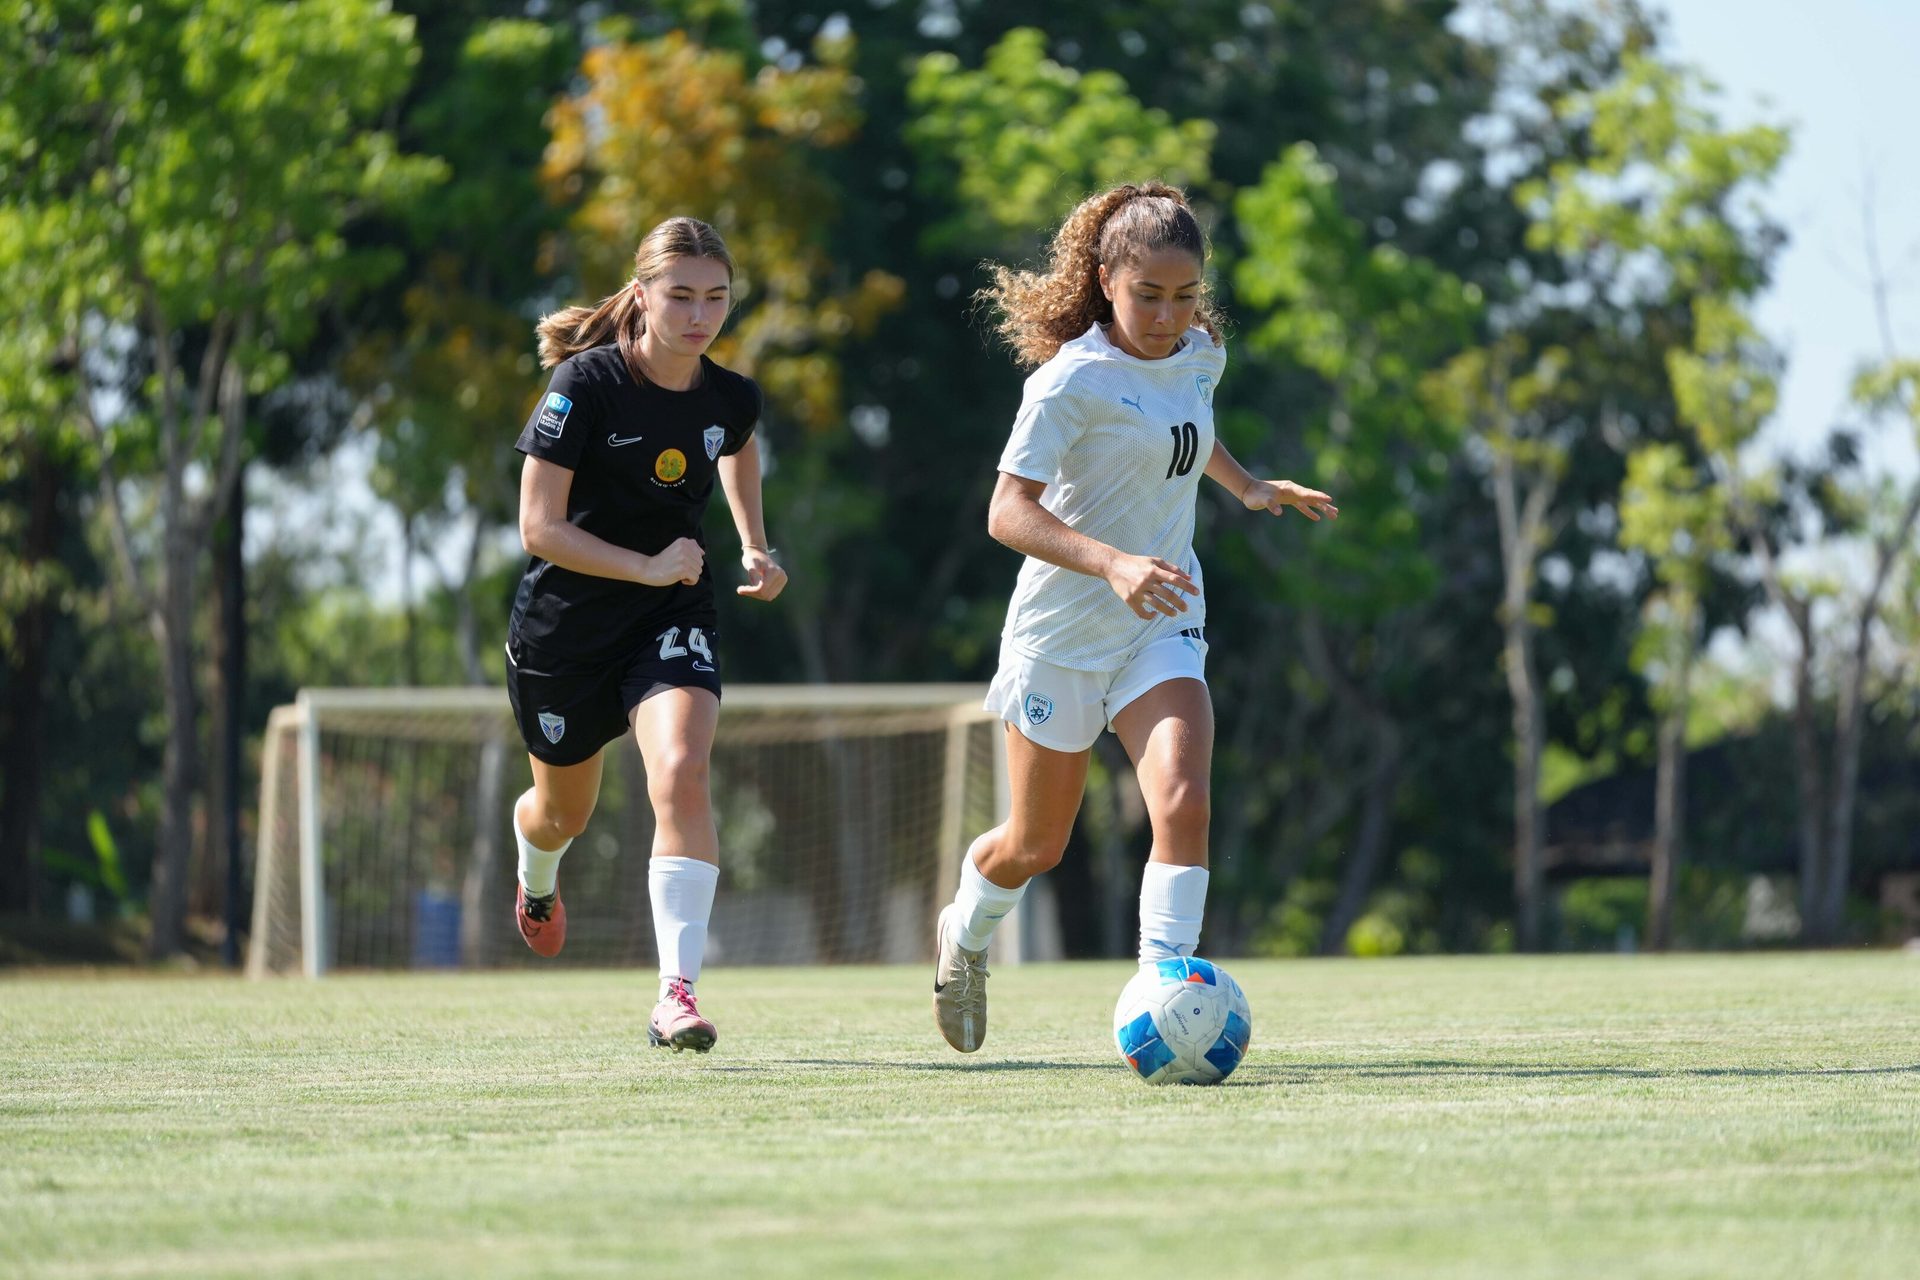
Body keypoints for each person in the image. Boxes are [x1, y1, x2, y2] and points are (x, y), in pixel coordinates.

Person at [933, 182, 1337, 1053]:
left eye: (1186, 295)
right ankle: (963, 936)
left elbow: (1191, 430)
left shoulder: (1199, 353)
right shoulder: (1067, 382)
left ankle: (1165, 985)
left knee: (1184, 800)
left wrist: (1249, 486)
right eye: (1148, 295)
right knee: (1036, 846)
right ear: (1106, 279)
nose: (1168, 314)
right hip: (1062, 637)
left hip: (1162, 622)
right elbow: (1007, 513)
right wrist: (1111, 562)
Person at [506, 216, 786, 1054]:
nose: (700, 315)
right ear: (642, 296)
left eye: (716, 298)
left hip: (671, 614)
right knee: (563, 816)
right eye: (681, 296)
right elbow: (537, 528)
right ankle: (536, 875)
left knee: (681, 770)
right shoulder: (582, 387)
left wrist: (754, 544)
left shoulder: (732, 394)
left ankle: (676, 994)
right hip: (565, 631)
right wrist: (646, 565)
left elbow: (735, 445)